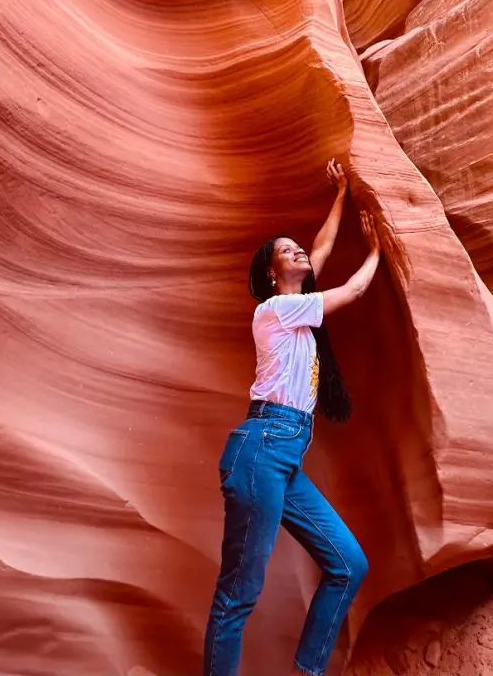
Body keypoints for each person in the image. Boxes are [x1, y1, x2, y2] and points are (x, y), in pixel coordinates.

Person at [203, 159, 381, 676]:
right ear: (270, 272)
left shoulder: (297, 304)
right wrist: (377, 249)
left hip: (283, 456)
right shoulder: (275, 311)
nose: (298, 251)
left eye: (296, 247)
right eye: (286, 250)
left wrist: (343, 192)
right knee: (239, 592)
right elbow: (354, 291)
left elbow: (320, 248)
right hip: (261, 448)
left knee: (349, 565)